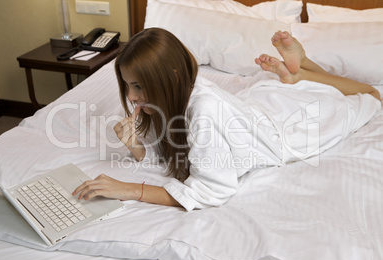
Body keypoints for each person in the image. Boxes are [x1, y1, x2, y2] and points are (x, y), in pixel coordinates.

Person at [73, 28, 381, 211]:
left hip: (286, 131)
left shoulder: (204, 110)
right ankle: (296, 75)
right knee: (285, 87)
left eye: (138, 86)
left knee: (371, 96)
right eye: (128, 85)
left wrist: (128, 189)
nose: (131, 96)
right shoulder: (172, 95)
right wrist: (139, 148)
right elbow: (178, 154)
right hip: (257, 107)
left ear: (172, 76)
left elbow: (212, 190)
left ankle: (301, 69)